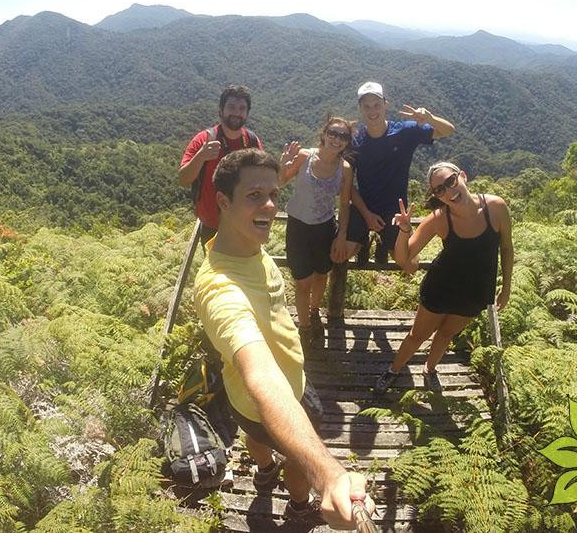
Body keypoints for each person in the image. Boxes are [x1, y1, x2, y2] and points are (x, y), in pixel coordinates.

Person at [194, 148, 375, 526]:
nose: (270, 206)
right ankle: (298, 505)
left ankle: (263, 470)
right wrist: (329, 476)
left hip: (242, 400)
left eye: (274, 194)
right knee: (296, 460)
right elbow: (261, 377)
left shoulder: (244, 246)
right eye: (254, 196)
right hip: (281, 396)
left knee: (255, 433)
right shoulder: (220, 289)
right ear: (224, 202)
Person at [373, 162, 514, 396]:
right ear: (437, 196)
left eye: (450, 181)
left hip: (476, 291)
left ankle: (429, 369)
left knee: (447, 334)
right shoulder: (439, 218)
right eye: (439, 190)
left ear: (463, 176)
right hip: (440, 288)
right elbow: (404, 258)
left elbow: (507, 248)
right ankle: (394, 369)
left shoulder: (496, 208)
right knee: (417, 335)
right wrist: (405, 230)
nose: (448, 191)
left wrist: (506, 287)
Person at [345, 82, 455, 263]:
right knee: (340, 255)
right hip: (363, 207)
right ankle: (363, 242)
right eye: (367, 106)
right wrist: (366, 214)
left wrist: (430, 118)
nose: (372, 111)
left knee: (410, 264)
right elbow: (346, 183)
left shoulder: (405, 131)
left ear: (385, 104)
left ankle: (382, 242)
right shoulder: (355, 140)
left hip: (395, 211)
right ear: (360, 108)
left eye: (377, 105)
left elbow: (448, 130)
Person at [279, 117, 354, 348]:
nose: (337, 139)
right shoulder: (304, 156)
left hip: (325, 228)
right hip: (298, 227)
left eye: (343, 136)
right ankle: (304, 327)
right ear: (324, 134)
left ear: (347, 142)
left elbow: (344, 204)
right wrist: (283, 164)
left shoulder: (345, 169)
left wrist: (341, 235)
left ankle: (314, 312)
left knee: (322, 275)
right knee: (302, 282)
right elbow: (281, 182)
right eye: (333, 133)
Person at [179, 85, 263, 245]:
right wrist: (201, 156)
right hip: (212, 225)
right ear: (221, 110)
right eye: (231, 107)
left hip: (244, 224)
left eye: (242, 108)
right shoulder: (203, 140)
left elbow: (261, 181)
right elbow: (183, 179)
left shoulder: (252, 141)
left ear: (247, 113)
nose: (236, 112)